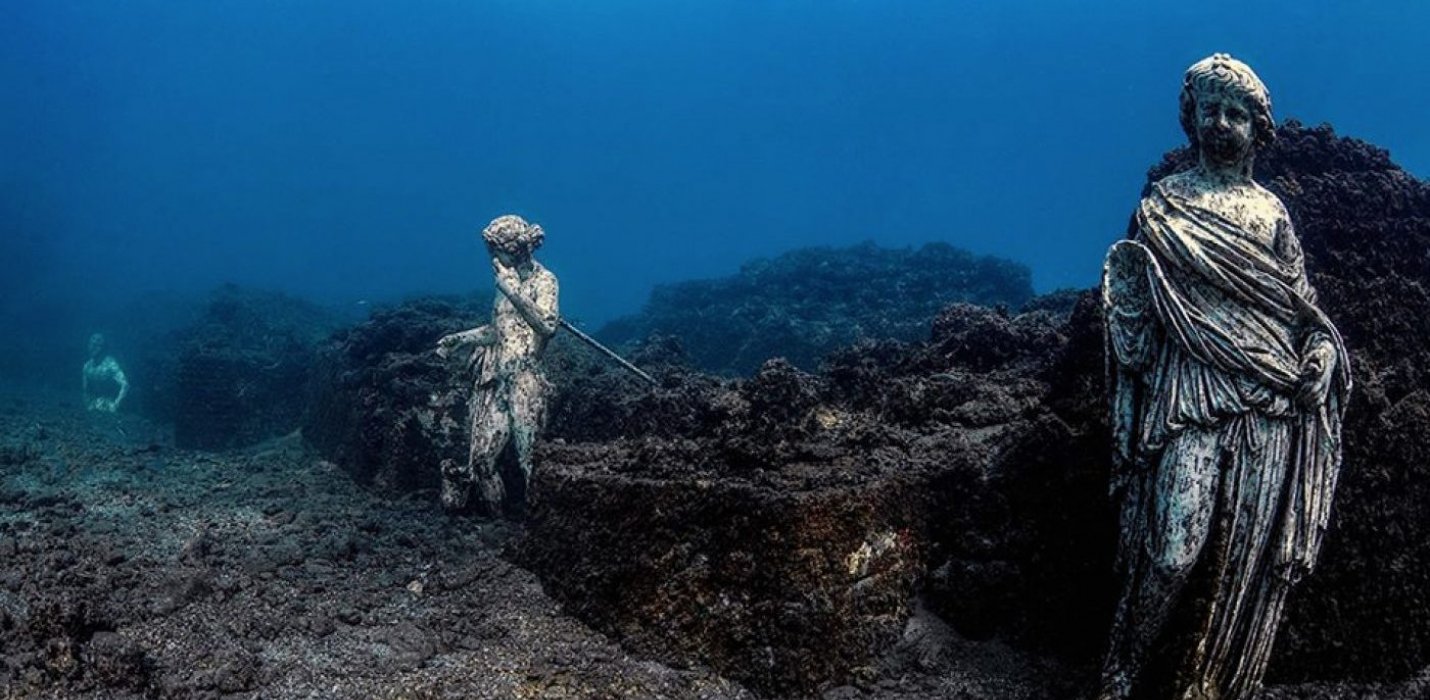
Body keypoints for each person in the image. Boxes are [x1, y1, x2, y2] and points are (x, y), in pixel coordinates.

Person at [1098, 54, 1350, 700]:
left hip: (1269, 397)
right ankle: (1121, 664)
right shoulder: (1165, 205)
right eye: (1209, 109)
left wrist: (1321, 353)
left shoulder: (1272, 217)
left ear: (1258, 130)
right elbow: (1139, 303)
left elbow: (1303, 310)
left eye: (1236, 112)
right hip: (1190, 391)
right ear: (1191, 119)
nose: (1221, 122)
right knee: (1173, 547)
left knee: (1240, 559)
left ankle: (1206, 683)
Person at [436, 215, 559, 514]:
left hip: (526, 381)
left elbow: (547, 325)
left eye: (496, 250)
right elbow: (498, 331)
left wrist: (512, 290)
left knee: (529, 460)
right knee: (482, 460)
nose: (492, 257)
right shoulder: (505, 282)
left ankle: (537, 529)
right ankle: (496, 524)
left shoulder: (545, 281)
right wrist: (459, 339)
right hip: (500, 381)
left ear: (517, 250)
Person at [82, 333, 129, 413]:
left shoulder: (111, 365)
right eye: (91, 344)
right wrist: (88, 403)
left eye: (97, 345)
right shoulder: (87, 366)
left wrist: (116, 405)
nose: (93, 347)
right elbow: (85, 389)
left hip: (109, 408)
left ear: (104, 347)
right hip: (93, 407)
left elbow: (125, 385)